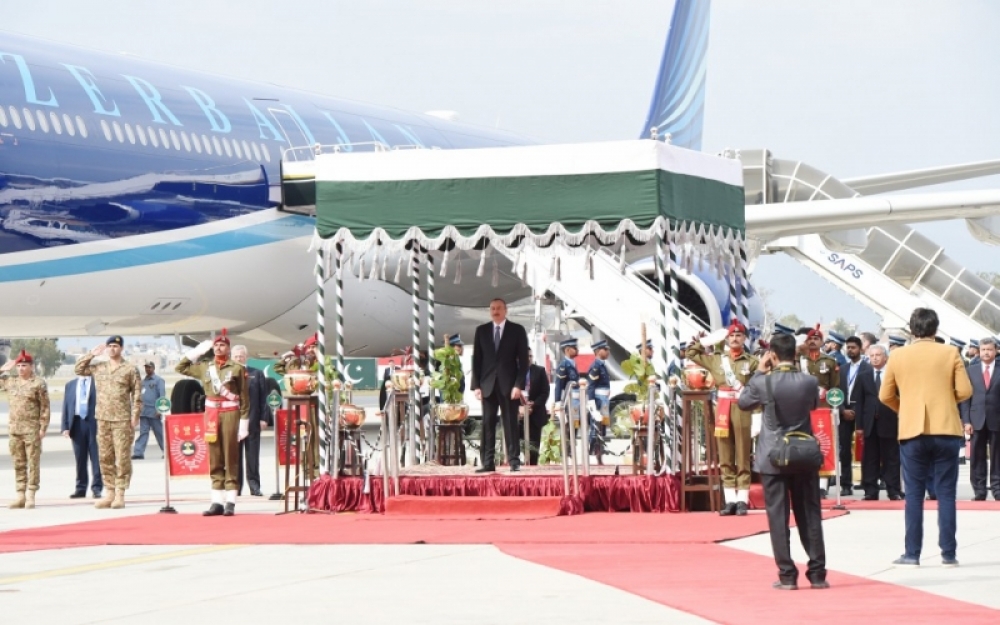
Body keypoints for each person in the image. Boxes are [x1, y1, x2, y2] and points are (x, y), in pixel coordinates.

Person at [879, 307, 972, 568]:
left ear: (911, 329)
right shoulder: (950, 352)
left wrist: (905, 408)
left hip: (913, 430)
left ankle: (912, 553)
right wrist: (945, 401)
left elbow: (885, 395)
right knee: (946, 493)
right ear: (935, 328)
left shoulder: (898, 355)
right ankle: (949, 553)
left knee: (914, 494)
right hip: (946, 429)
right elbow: (965, 390)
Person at [738, 333, 828, 590]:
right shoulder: (809, 381)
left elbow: (743, 403)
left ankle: (787, 574)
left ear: (773, 355)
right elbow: (813, 405)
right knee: (810, 514)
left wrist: (759, 371)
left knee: (778, 517)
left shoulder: (763, 382)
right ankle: (817, 574)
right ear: (794, 354)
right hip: (803, 453)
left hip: (773, 455)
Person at [686, 319, 758, 515]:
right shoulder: (717, 359)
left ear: (744, 338)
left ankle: (742, 500)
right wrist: (707, 341)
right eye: (731, 335)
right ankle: (730, 500)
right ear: (726, 339)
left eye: (738, 335)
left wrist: (758, 415)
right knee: (725, 455)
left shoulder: (752, 361)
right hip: (722, 409)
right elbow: (690, 353)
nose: (734, 338)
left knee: (743, 455)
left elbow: (758, 388)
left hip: (742, 408)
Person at [176, 330, 250, 516]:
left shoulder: (237, 368)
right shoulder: (205, 367)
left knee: (230, 457)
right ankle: (216, 501)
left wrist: (244, 422)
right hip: (211, 415)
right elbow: (180, 367)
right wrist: (198, 351)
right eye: (216, 345)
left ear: (228, 348)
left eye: (222, 345)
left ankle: (230, 501)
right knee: (214, 457)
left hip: (230, 413)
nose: (218, 348)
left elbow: (244, 397)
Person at [75, 336, 142, 510]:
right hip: (103, 418)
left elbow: (136, 394)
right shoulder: (100, 367)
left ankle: (120, 494)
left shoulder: (130, 369)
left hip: (122, 419)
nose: (112, 349)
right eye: (110, 346)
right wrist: (91, 354)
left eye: (115, 346)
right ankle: (110, 493)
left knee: (122, 457)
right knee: (105, 457)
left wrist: (135, 416)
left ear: (121, 348)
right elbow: (79, 369)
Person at [470, 298, 529, 472]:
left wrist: (518, 385)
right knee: (487, 424)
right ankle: (488, 462)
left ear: (505, 310)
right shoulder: (481, 331)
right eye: (492, 309)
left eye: (498, 308)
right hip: (487, 385)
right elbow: (477, 360)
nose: (495, 311)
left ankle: (514, 461)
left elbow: (523, 361)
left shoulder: (517, 330)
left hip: (509, 386)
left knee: (510, 423)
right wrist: (476, 386)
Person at [1, 350, 50, 509]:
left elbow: (45, 407)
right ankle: (20, 495)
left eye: (24, 365)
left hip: (32, 430)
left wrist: (43, 427)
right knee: (18, 463)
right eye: (19, 366)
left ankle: (31, 495)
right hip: (15, 430)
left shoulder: (38, 383)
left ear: (31, 366)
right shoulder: (11, 382)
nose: (21, 369)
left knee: (33, 463)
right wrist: (2, 370)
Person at [797, 325, 840, 496]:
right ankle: (807, 482)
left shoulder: (829, 361)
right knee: (804, 445)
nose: (813, 341)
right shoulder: (800, 360)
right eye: (810, 339)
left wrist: (834, 407)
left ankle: (823, 484)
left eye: (816, 339)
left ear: (822, 342)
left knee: (824, 444)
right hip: (803, 408)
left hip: (823, 409)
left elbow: (836, 388)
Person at [858, 344, 903, 500]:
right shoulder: (863, 375)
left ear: (885, 357)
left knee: (891, 458)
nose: (875, 358)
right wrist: (859, 425)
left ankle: (894, 490)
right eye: (872, 356)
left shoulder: (893, 374)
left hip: (889, 421)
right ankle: (870, 490)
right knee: (870, 458)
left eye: (878, 355)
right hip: (870, 423)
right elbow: (859, 402)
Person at [959, 337, 999, 501]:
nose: (986, 353)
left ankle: (997, 489)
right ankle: (979, 490)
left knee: (997, 456)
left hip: (996, 419)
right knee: (977, 457)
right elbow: (965, 398)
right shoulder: (971, 371)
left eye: (989, 349)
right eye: (983, 350)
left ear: (996, 351)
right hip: (976, 419)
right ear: (979, 351)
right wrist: (966, 421)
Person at [232, 345, 272, 497]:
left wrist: (264, 418)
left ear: (246, 357)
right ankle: (235, 487)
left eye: (241, 356)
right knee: (235, 458)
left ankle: (254, 486)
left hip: (253, 420)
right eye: (236, 356)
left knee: (252, 457)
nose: (239, 358)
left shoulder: (257, 374)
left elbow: (263, 397)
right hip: (233, 422)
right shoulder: (227, 374)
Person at [836, 336, 870, 496]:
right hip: (844, 412)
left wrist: (857, 410)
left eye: (853, 347)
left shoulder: (867, 368)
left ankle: (867, 482)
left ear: (860, 348)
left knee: (866, 448)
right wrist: (842, 409)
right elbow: (836, 392)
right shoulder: (842, 369)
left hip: (862, 413)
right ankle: (846, 484)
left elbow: (870, 393)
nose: (850, 350)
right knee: (844, 450)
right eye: (848, 347)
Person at [61, 374, 102, 499]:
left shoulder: (98, 382)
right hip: (77, 423)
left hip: (94, 422)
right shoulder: (70, 385)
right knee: (80, 458)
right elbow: (66, 406)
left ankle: (97, 488)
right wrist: (65, 426)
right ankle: (80, 488)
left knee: (96, 457)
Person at [522, 348, 550, 465]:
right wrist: (520, 406)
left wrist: (534, 403)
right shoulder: (512, 371)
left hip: (535, 413)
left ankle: (533, 466)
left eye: (530, 356)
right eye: (526, 356)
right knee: (519, 443)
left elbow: (545, 392)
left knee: (534, 444)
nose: (528, 359)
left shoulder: (539, 371)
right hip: (519, 414)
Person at [132, 362, 165, 460]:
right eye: (146, 367)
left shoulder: (158, 380)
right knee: (143, 433)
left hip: (154, 412)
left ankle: (167, 451)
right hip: (144, 412)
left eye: (149, 367)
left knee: (159, 433)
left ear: (153, 368)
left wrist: (160, 409)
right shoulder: (143, 382)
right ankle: (138, 453)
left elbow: (162, 396)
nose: (147, 369)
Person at [586, 339, 612, 465]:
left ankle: (599, 454)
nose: (608, 351)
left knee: (602, 428)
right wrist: (592, 404)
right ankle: (593, 453)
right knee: (596, 428)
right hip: (598, 400)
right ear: (597, 351)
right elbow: (591, 386)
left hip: (604, 400)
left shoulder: (602, 365)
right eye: (605, 349)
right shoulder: (596, 366)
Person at [552, 338, 580, 405]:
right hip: (569, 400)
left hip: (577, 399)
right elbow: (559, 385)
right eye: (575, 348)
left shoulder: (573, 363)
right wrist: (558, 402)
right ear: (567, 350)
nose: (577, 350)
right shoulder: (563, 366)